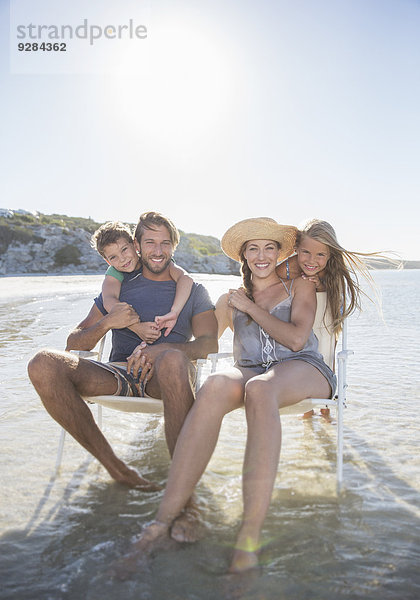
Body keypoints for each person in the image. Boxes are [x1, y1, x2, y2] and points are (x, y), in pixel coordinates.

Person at [123, 217, 336, 574]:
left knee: (261, 388)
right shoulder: (228, 300)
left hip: (303, 367)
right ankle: (161, 522)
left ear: (281, 253)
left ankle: (248, 538)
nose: (262, 255)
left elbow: (297, 340)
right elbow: (204, 344)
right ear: (243, 256)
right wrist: (154, 350)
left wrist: (250, 308)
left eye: (270, 247)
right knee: (215, 385)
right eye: (253, 248)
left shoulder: (300, 285)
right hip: (253, 368)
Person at [27, 211, 218, 495]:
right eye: (150, 242)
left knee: (172, 360)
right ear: (138, 244)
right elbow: (74, 344)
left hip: (168, 377)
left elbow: (209, 344)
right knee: (43, 363)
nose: (158, 250)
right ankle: (118, 470)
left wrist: (164, 350)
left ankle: (183, 492)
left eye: (165, 243)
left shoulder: (193, 290)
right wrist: (107, 322)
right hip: (118, 374)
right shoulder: (117, 288)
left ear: (174, 247)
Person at [276, 218, 382, 417]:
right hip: (300, 318)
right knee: (303, 354)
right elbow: (272, 287)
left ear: (329, 254)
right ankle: (307, 414)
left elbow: (336, 294)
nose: (311, 260)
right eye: (306, 252)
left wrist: (321, 284)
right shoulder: (287, 268)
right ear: (297, 248)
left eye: (320, 254)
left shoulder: (333, 271)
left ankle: (326, 411)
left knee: (326, 353)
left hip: (326, 316)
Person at [91, 221, 194, 339]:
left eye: (124, 249)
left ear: (135, 245)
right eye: (113, 257)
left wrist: (174, 312)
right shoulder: (114, 272)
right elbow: (109, 300)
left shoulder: (155, 261)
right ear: (108, 262)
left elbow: (185, 279)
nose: (122, 259)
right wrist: (136, 327)